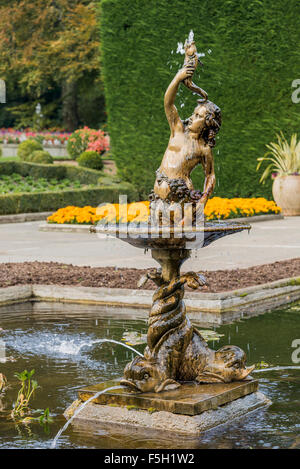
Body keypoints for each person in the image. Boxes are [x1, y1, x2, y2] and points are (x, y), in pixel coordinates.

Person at [153, 62, 221, 213]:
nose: (191, 117)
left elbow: (210, 175)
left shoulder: (203, 149)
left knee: (178, 235)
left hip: (180, 196)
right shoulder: (178, 130)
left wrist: (203, 199)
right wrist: (177, 79)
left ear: (206, 124)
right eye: (193, 113)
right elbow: (168, 103)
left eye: (198, 116)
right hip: (158, 193)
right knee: (160, 233)